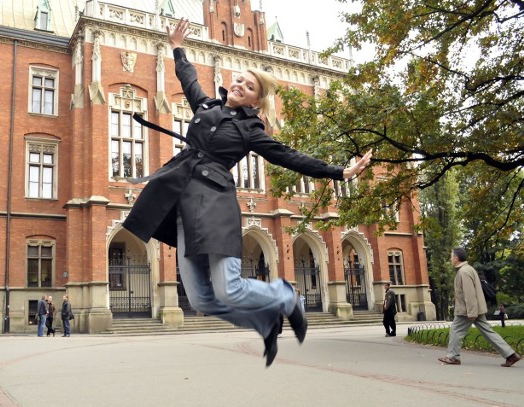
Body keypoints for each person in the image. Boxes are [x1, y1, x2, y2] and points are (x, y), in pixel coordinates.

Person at [122, 18, 373, 367]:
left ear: (256, 99)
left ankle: (285, 296)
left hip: (214, 204)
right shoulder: (206, 107)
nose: (240, 85)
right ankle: (264, 321)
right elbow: (189, 79)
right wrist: (177, 47)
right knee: (201, 299)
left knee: (230, 288)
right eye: (239, 79)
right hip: (181, 204)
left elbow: (288, 156)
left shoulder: (250, 129)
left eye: (250, 85)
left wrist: (340, 172)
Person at [438, 247, 521, 367]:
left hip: (468, 310)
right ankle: (511, 355)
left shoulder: (464, 272)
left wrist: (472, 312)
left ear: (456, 258)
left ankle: (452, 357)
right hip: (474, 308)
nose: (451, 259)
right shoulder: (468, 269)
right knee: (488, 332)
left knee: (455, 329)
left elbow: (469, 294)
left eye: (451, 256)